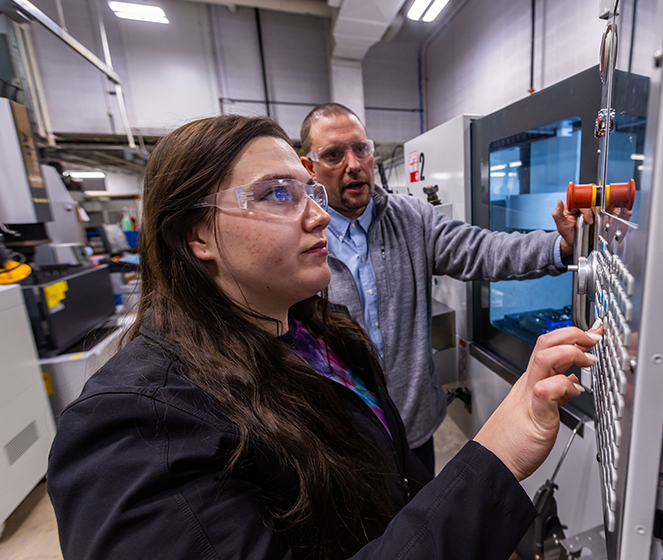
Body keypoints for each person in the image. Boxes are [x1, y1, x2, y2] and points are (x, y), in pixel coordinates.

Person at [46, 114, 604, 560]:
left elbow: (483, 250)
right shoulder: (135, 427)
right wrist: (496, 453)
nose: (317, 217)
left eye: (306, 191)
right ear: (197, 235)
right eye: (278, 194)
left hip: (407, 431)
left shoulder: (320, 331)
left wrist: (562, 248)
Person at [299, 103, 580, 474]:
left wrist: (560, 246)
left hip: (414, 425)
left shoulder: (411, 218)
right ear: (309, 167)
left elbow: (483, 249)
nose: (353, 164)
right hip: (342, 440)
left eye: (361, 149)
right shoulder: (299, 238)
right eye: (334, 154)